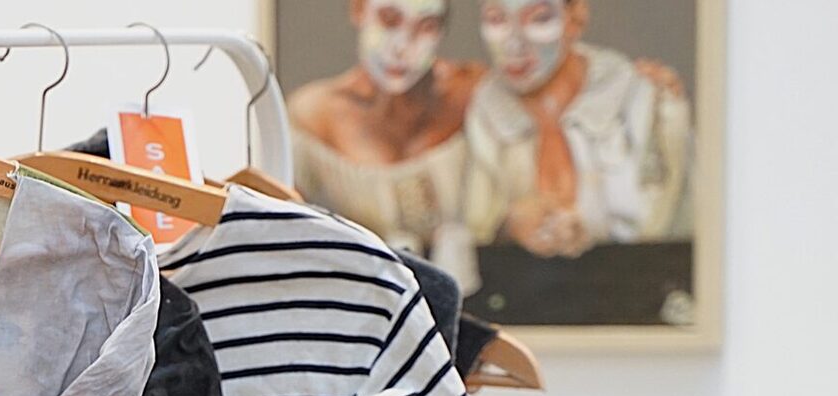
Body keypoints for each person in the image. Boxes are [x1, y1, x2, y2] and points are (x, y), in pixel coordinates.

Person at [465, 0, 693, 257]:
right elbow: (475, 229)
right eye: (497, 19)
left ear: (575, 17)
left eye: (539, 19)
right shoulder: (484, 110)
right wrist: (509, 225)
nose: (514, 44)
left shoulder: (637, 98)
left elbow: (675, 220)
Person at [287, 0, 484, 286]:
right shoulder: (316, 112)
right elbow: (279, 229)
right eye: (389, 20)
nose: (403, 47)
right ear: (358, 10)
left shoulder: (473, 91)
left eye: (426, 27)